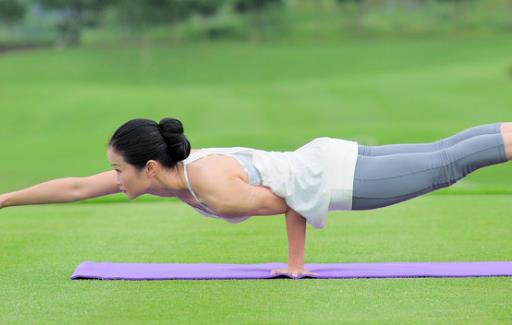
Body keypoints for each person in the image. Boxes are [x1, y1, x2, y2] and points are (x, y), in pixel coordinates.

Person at [0, 118, 511, 278]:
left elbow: (290, 200)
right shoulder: (172, 172)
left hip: (339, 180)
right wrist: (5, 199)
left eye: (117, 169)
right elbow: (73, 188)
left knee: (448, 163)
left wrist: (295, 265)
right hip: (330, 159)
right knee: (445, 153)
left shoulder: (211, 188)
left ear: (148, 168)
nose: (112, 177)